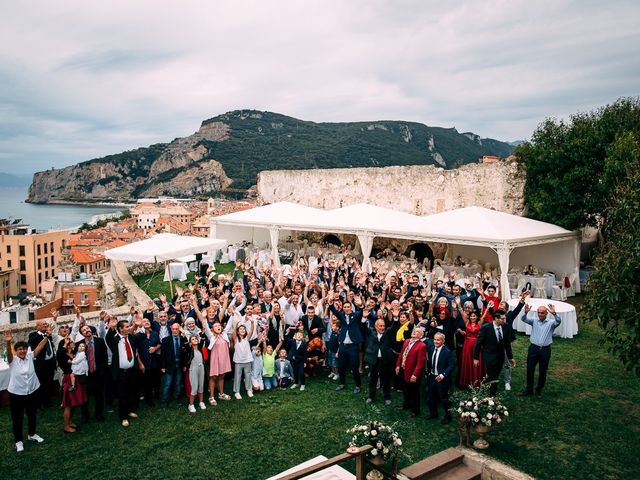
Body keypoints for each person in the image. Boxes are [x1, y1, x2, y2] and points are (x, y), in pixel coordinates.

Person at [4, 330, 47, 452]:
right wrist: (8, 342)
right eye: (19, 349)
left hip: (32, 391)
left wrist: (47, 335)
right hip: (16, 394)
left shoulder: (30, 357)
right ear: (16, 351)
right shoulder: (12, 361)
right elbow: (9, 354)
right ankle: (18, 441)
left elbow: (40, 345)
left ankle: (32, 434)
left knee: (32, 414)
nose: (22, 351)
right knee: (17, 418)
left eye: (24, 349)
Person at [106, 317, 144, 427]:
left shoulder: (131, 338)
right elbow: (108, 338)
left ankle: (129, 410)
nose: (129, 328)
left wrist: (137, 325)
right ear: (121, 329)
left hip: (132, 371)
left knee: (131, 392)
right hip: (121, 373)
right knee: (122, 394)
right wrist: (112, 327)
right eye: (127, 327)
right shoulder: (115, 339)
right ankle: (123, 417)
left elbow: (141, 336)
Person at [518, 304, 561, 398]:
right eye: (538, 312)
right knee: (530, 369)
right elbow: (523, 319)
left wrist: (555, 313)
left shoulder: (551, 323)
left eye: (542, 313)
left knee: (543, 371)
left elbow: (558, 321)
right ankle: (529, 389)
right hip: (533, 349)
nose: (540, 314)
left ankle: (539, 390)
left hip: (545, 350)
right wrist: (525, 312)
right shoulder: (534, 321)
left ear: (546, 313)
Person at [194, 300, 231, 404]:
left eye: (219, 326)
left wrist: (231, 310)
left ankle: (221, 393)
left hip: (223, 356)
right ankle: (211, 396)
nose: (218, 327)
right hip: (213, 355)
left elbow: (230, 321)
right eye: (216, 326)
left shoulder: (222, 332)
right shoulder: (210, 334)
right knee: (213, 375)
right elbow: (203, 322)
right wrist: (202, 314)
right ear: (212, 329)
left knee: (222, 375)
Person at [473, 310, 516, 395]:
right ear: (496, 318)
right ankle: (492, 393)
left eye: (504, 319)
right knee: (492, 375)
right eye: (502, 319)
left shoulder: (506, 327)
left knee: (495, 374)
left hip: (500, 356)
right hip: (489, 356)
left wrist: (510, 357)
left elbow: (507, 344)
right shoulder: (486, 328)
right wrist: (476, 358)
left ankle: (489, 387)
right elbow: (478, 343)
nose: (504, 320)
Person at [329, 296, 365, 394]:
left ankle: (358, 385)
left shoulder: (356, 315)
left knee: (354, 367)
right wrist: (331, 302)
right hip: (343, 346)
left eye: (348, 307)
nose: (346, 308)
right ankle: (342, 383)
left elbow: (362, 312)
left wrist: (361, 304)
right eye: (345, 307)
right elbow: (333, 310)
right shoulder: (341, 315)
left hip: (353, 346)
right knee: (341, 366)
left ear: (351, 307)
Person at [76, 323, 108, 422]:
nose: (87, 330)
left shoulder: (100, 341)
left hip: (97, 374)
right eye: (84, 330)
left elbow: (104, 357)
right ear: (82, 334)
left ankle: (99, 414)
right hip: (86, 375)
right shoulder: (79, 344)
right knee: (85, 397)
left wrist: (102, 371)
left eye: (87, 328)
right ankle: (85, 416)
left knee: (99, 396)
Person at [57, 337, 88, 433]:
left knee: (73, 403)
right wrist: (64, 344)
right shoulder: (63, 355)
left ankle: (70, 421)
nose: (73, 342)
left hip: (75, 378)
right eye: (71, 342)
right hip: (68, 379)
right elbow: (59, 354)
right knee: (68, 404)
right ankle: (66, 426)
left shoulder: (74, 353)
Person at [395, 326, 427, 417]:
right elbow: (401, 354)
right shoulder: (407, 341)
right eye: (414, 330)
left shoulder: (422, 346)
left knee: (414, 392)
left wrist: (415, 375)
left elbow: (420, 363)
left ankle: (415, 410)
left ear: (420, 336)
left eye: (417, 332)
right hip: (404, 369)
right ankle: (406, 404)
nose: (414, 332)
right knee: (405, 389)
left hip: (412, 372)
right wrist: (398, 365)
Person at [426, 332, 455, 424]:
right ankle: (433, 413)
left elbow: (451, 365)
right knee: (431, 396)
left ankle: (448, 416)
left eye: (438, 340)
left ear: (443, 341)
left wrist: (443, 375)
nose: (436, 341)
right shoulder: (431, 348)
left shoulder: (447, 352)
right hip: (432, 377)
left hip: (442, 378)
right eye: (435, 339)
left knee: (444, 398)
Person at [27, 319, 57, 408]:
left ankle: (48, 402)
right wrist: (46, 335)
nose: (46, 325)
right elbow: (32, 342)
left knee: (49, 383)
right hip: (41, 364)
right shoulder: (34, 335)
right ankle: (39, 403)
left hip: (50, 363)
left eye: (46, 324)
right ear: (38, 327)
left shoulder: (50, 335)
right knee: (41, 384)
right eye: (43, 324)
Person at [364, 318, 394, 406]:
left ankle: (387, 397)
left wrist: (395, 318)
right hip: (374, 360)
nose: (382, 327)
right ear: (376, 327)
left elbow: (394, 326)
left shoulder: (387, 332)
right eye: (380, 326)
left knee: (386, 379)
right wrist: (364, 318)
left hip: (385, 360)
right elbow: (363, 327)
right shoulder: (371, 333)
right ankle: (371, 396)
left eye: (384, 325)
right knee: (372, 379)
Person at [160, 323, 187, 406]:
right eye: (173, 329)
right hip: (169, 365)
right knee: (167, 383)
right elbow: (163, 354)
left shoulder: (182, 339)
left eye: (177, 329)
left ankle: (177, 398)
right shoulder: (166, 340)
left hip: (179, 365)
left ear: (179, 329)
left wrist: (184, 365)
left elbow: (185, 354)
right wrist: (163, 366)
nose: (175, 331)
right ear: (171, 329)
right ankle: (164, 400)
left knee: (178, 382)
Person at [457, 311, 485, 388]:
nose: (473, 317)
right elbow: (462, 314)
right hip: (467, 345)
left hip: (477, 345)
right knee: (467, 361)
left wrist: (488, 308)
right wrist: (459, 306)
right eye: (471, 316)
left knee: (476, 362)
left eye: (474, 316)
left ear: (477, 317)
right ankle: (467, 381)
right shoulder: (467, 322)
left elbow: (484, 316)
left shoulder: (479, 323)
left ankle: (476, 382)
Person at [232, 323, 255, 399]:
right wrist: (236, 324)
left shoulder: (246, 339)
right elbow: (234, 333)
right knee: (237, 376)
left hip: (247, 360)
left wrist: (252, 323)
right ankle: (237, 392)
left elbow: (251, 331)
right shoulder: (236, 339)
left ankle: (249, 389)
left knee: (248, 375)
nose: (242, 330)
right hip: (238, 361)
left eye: (243, 329)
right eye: (240, 329)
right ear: (238, 331)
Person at [184, 335, 207, 412]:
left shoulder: (200, 349)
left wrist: (202, 333)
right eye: (193, 339)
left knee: (201, 386)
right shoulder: (190, 350)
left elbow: (203, 340)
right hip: (193, 369)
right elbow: (186, 346)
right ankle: (191, 405)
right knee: (194, 387)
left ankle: (201, 402)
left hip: (201, 368)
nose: (195, 340)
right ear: (190, 342)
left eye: (196, 339)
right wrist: (184, 335)